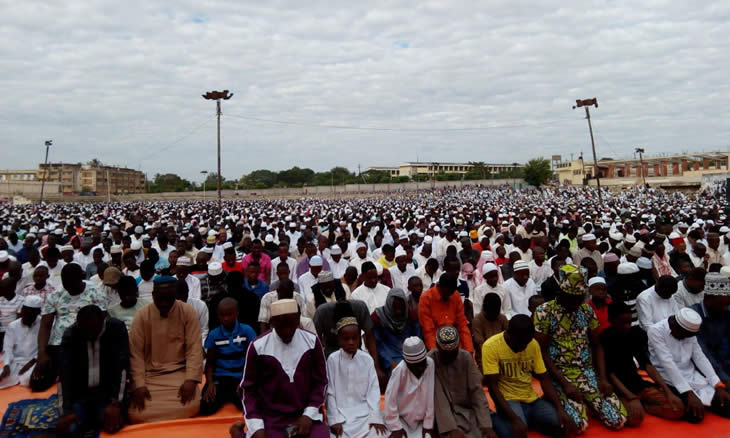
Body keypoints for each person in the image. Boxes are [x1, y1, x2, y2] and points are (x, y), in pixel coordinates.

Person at [533, 264, 628, 433]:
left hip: (586, 371)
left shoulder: (586, 310)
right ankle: (553, 398)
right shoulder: (544, 312)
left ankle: (589, 401)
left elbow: (597, 346)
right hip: (560, 374)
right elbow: (542, 352)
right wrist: (565, 384)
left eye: (581, 297)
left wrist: (603, 378)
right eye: (573, 298)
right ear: (562, 292)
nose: (577, 302)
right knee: (577, 426)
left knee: (619, 420)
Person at [241, 298, 329, 438]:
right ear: (272, 323)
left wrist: (308, 414)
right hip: (271, 418)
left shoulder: (311, 341)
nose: (287, 331)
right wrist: (256, 426)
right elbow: (249, 391)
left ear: (298, 320)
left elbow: (321, 382)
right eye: (281, 327)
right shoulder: (258, 347)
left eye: (291, 325)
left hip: (305, 415)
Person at [128, 276, 203, 423]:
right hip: (150, 377)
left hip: (179, 374)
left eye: (168, 298)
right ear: (153, 295)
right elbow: (135, 354)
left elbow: (194, 348)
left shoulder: (187, 312)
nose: (164, 303)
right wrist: (139, 385)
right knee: (136, 413)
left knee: (192, 405)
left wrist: (191, 380)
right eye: (160, 298)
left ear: (175, 295)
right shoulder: (142, 316)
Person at [484, 315, 569, 438]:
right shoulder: (491, 346)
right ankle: (498, 419)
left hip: (532, 400)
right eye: (521, 343)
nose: (524, 347)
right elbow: (492, 387)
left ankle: (528, 421)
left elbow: (544, 378)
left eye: (527, 343)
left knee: (563, 424)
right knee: (515, 434)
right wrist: (514, 419)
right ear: (509, 334)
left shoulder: (532, 344)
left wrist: (560, 409)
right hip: (508, 401)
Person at [600, 302, 685, 423]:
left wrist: (668, 391)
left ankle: (644, 405)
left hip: (637, 384)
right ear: (611, 320)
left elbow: (647, 366)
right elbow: (611, 374)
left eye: (629, 322)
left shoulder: (634, 334)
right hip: (619, 389)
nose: (626, 326)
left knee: (678, 409)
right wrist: (631, 397)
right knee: (634, 420)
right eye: (622, 322)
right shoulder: (605, 337)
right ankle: (636, 405)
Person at [32, 263, 107, 391]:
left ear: (81, 278)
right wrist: (42, 353)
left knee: (82, 382)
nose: (69, 288)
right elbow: (45, 326)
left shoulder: (95, 291)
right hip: (59, 345)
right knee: (37, 383)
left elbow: (102, 320)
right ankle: (62, 371)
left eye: (72, 284)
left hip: (87, 343)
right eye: (66, 284)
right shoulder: (56, 295)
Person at [56, 305, 128, 437]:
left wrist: (115, 403)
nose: (89, 334)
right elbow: (63, 375)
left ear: (103, 321)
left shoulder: (116, 328)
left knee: (113, 424)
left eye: (93, 329)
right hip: (80, 395)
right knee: (69, 429)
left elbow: (121, 368)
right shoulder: (71, 334)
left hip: (107, 394)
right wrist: (65, 412)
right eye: (84, 330)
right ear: (78, 325)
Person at [648, 307, 730, 422]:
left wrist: (717, 384)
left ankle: (706, 403)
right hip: (668, 377)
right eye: (686, 334)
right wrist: (688, 392)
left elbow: (699, 357)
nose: (688, 338)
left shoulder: (688, 331)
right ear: (675, 326)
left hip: (692, 375)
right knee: (695, 416)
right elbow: (668, 363)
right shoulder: (655, 330)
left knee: (727, 405)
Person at [326, 306, 386, 438]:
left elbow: (373, 390)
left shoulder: (367, 359)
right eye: (346, 339)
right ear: (339, 339)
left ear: (360, 338)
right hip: (341, 416)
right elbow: (330, 392)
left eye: (354, 338)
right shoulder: (333, 359)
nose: (351, 342)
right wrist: (334, 419)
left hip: (364, 415)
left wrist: (375, 417)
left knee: (379, 434)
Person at [430, 326, 496, 438]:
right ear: (437, 347)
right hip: (441, 417)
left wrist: (486, 425)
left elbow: (477, 392)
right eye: (446, 354)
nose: (450, 357)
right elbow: (438, 399)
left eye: (453, 353)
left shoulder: (465, 357)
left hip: (467, 412)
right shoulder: (431, 360)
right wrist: (451, 428)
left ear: (458, 346)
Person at [200, 297, 257, 415]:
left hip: (240, 377)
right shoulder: (214, 334)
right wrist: (210, 384)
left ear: (237, 313)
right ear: (218, 315)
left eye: (229, 314)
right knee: (205, 407)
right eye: (222, 315)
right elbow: (210, 364)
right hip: (220, 379)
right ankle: (225, 396)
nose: (226, 318)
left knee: (251, 407)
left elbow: (253, 360)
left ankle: (233, 396)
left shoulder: (247, 331)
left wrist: (245, 381)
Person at [383, 337, 434, 438]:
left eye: (422, 364)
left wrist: (428, 424)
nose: (420, 369)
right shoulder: (400, 370)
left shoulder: (430, 364)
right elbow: (390, 400)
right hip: (401, 418)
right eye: (415, 366)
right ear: (406, 363)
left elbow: (430, 395)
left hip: (421, 420)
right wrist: (396, 426)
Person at [691, 272, 730, 387]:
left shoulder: (726, 312)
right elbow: (703, 353)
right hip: (703, 369)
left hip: (723, 363)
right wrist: (725, 378)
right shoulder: (694, 316)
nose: (725, 308)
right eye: (722, 304)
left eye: (727, 305)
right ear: (708, 298)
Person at [418, 273, 474, 353]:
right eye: (448, 292)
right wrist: (436, 354)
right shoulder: (426, 298)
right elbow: (428, 331)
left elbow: (462, 325)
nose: (450, 296)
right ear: (440, 286)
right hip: (436, 343)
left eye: (452, 292)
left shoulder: (455, 295)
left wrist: (469, 350)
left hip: (456, 343)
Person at [371, 288, 421, 376]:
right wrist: (390, 363)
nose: (398, 311)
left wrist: (414, 358)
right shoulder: (379, 317)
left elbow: (417, 339)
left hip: (410, 355)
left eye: (401, 308)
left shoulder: (410, 315)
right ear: (390, 305)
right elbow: (379, 345)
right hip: (389, 357)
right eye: (395, 307)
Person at [0, 295, 42, 389]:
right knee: (2, 377)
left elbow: (46, 347)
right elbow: (7, 348)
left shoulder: (43, 324)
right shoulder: (13, 326)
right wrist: (6, 365)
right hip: (16, 361)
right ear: (22, 310)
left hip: (34, 361)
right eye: (26, 311)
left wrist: (31, 363)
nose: (28, 315)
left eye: (32, 313)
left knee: (31, 380)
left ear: (38, 313)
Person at [472, 293, 508, 367]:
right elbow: (480, 345)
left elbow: (508, 339)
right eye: (492, 312)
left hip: (503, 356)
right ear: (485, 309)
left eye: (497, 312)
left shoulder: (502, 318)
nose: (495, 315)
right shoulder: (477, 320)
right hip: (484, 357)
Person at [175, 279, 209, 345]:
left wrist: (200, 346)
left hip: (196, 343)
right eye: (178, 296)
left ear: (188, 292)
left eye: (184, 294)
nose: (181, 298)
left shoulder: (200, 305)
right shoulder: (168, 309)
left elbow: (204, 330)